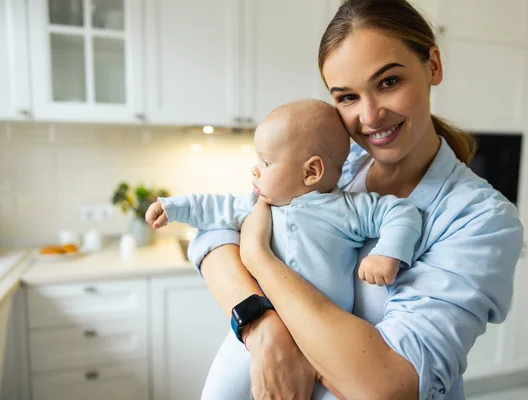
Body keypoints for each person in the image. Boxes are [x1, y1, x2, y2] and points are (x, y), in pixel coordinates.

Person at [189, 0, 524, 399]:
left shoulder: (480, 219)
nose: (369, 116)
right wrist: (262, 328)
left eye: (388, 82)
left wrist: (258, 256)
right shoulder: (334, 169)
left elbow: (388, 385)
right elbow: (211, 237)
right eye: (346, 97)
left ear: (433, 65)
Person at [145, 99, 422, 399]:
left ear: (311, 171)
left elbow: (403, 213)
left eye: (265, 163)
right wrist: (172, 208)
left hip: (324, 345)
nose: (255, 169)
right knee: (217, 394)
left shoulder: (348, 209)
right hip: (261, 329)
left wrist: (388, 254)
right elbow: (214, 209)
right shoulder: (256, 202)